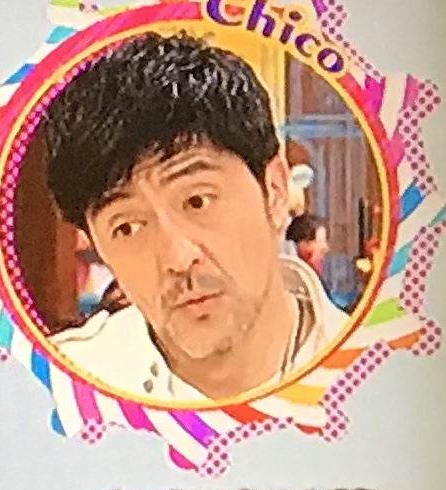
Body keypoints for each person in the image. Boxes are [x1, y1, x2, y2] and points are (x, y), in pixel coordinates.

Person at [32, 31, 343, 402]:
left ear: (274, 190)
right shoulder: (55, 394)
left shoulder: (380, 366)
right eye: (127, 227)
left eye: (197, 201)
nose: (178, 259)